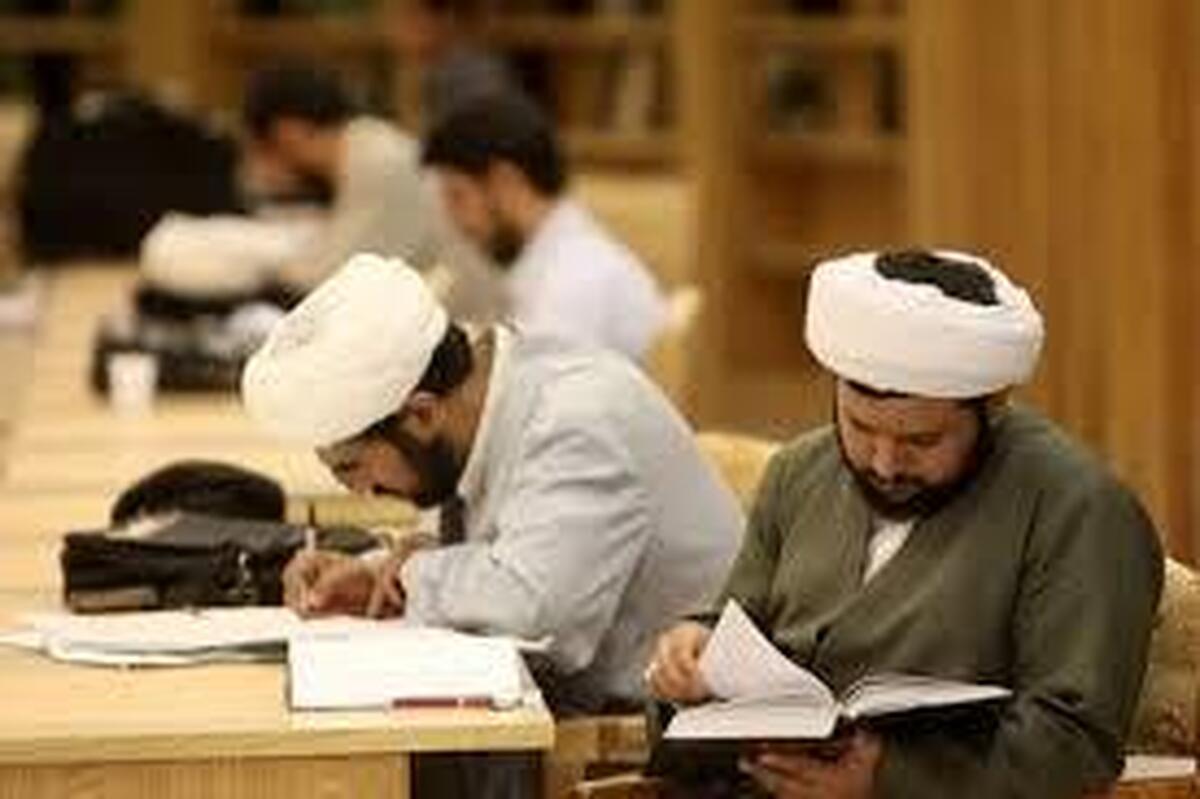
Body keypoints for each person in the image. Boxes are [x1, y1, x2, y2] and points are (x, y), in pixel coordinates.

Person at [647, 249, 1164, 798]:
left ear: (992, 408)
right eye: (860, 427)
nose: (885, 463)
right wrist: (690, 661)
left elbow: (1075, 744)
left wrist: (886, 778)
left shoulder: (1078, 509)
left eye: (922, 440)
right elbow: (731, 636)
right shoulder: (798, 473)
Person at [242, 252, 740, 715]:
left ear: (421, 415)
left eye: (351, 468)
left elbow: (537, 613)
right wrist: (376, 576)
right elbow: (491, 556)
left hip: (663, 732)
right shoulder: (471, 408)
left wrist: (411, 574)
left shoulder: (574, 420)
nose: (358, 492)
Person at [421, 93, 668, 361]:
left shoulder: (573, 276)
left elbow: (533, 383)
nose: (454, 219)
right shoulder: (558, 260)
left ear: (506, 182)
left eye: (457, 196)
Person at [241, 63, 442, 292]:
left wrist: (255, 269)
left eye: (262, 150)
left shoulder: (376, 162)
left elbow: (329, 275)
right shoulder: (366, 144)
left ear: (287, 132)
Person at [387, 0, 522, 122]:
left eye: (409, 19)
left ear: (441, 21)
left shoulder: (472, 76)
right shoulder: (425, 71)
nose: (395, 31)